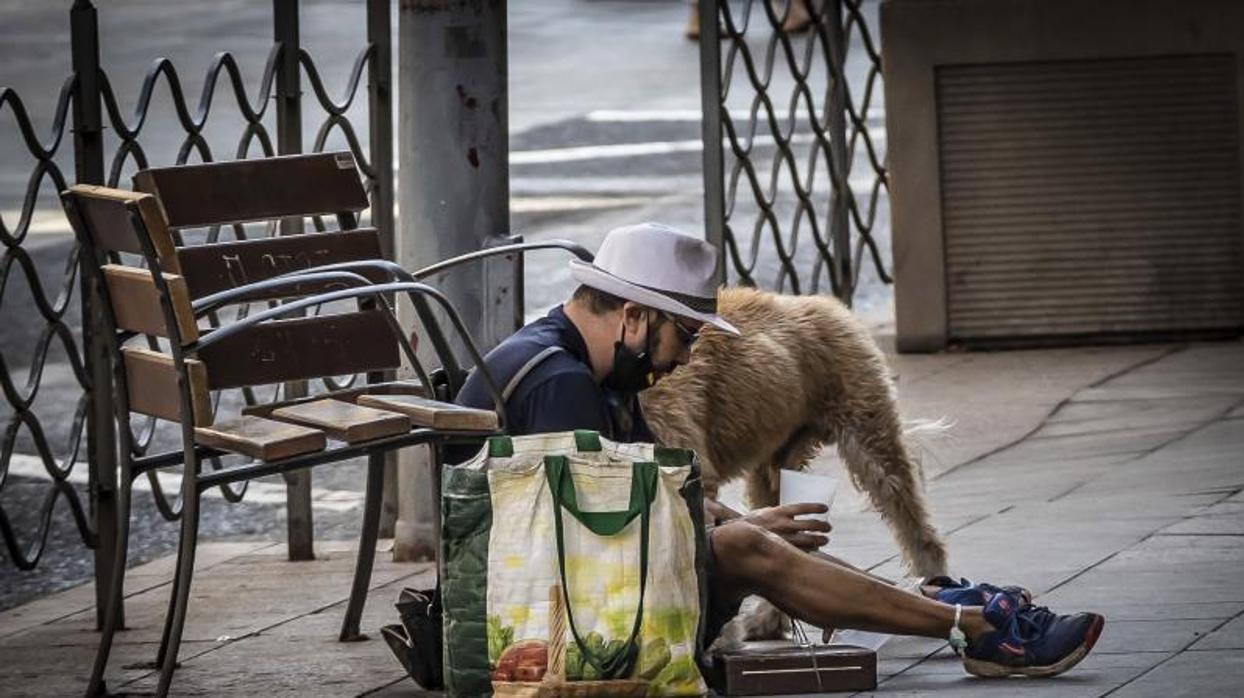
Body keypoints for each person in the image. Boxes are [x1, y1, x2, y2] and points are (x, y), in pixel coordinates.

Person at [453, 222, 1105, 679]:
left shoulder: (589, 367)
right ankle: (975, 630)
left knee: (750, 535)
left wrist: (745, 524)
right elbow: (593, 544)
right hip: (531, 623)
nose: (685, 357)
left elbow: (650, 501)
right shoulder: (561, 384)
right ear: (632, 316)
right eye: (685, 335)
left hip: (556, 592)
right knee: (745, 546)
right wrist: (743, 533)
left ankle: (946, 604)